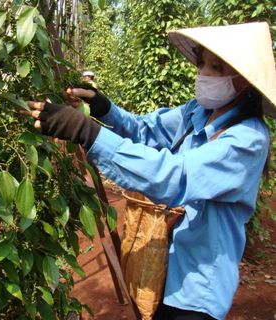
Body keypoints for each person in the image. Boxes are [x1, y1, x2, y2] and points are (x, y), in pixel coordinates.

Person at [23, 22, 275, 320]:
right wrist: (103, 107)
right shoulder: (196, 112)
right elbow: (145, 129)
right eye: (202, 64)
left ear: (243, 81)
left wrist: (87, 132)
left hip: (196, 289)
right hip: (162, 271)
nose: (203, 74)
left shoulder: (248, 139)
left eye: (216, 68)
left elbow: (174, 176)